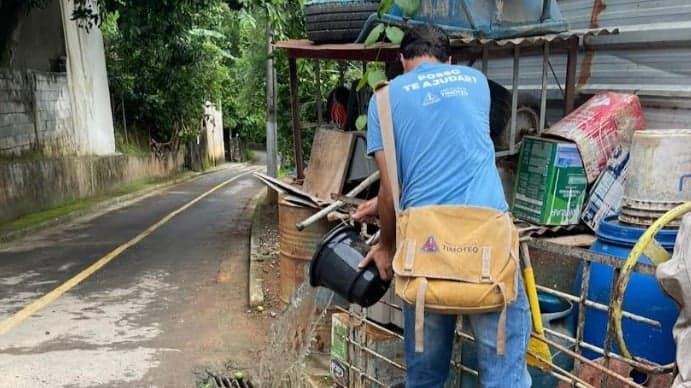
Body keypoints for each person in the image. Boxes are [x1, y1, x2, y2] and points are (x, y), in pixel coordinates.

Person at [353, 24, 532, 387]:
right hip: (489, 251)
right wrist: (387, 199)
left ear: (401, 60)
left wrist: (386, 246)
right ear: (449, 61)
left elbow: (391, 191)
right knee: (504, 381)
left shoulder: (383, 100)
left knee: (426, 380)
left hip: (426, 253)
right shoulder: (475, 83)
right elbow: (450, 157)